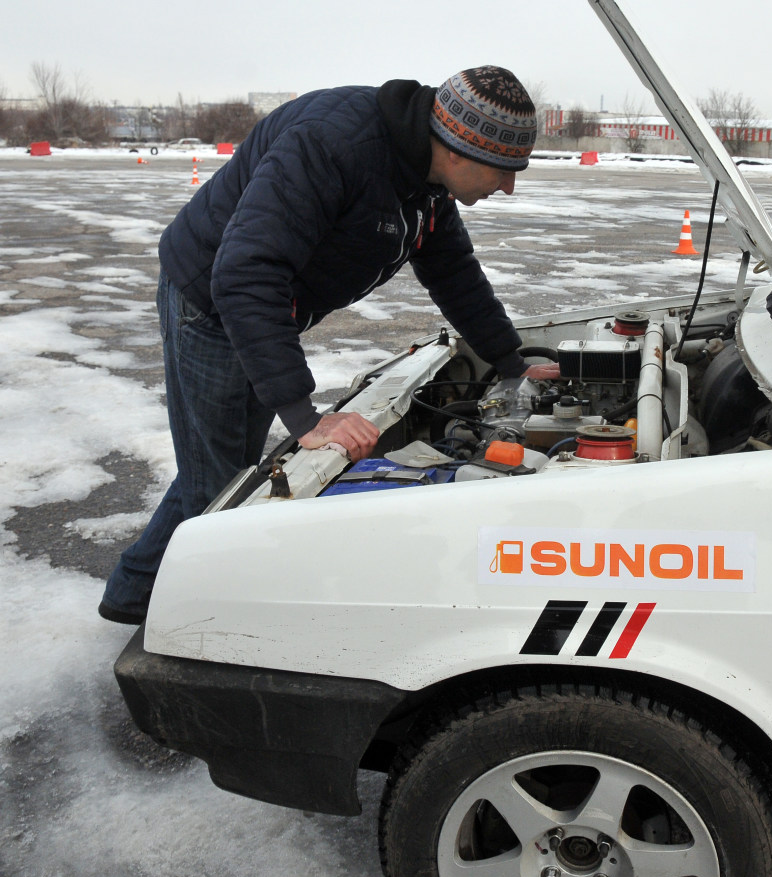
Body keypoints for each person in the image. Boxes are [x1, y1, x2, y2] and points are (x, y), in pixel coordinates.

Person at [99, 66, 555, 625]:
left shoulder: (425, 178)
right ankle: (180, 625)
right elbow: (246, 271)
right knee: (217, 488)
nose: (508, 186)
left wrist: (511, 361)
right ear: (460, 149)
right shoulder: (337, 143)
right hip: (214, 300)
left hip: (260, 301)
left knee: (227, 471)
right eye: (505, 170)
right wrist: (303, 416)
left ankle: (136, 593)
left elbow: (452, 270)